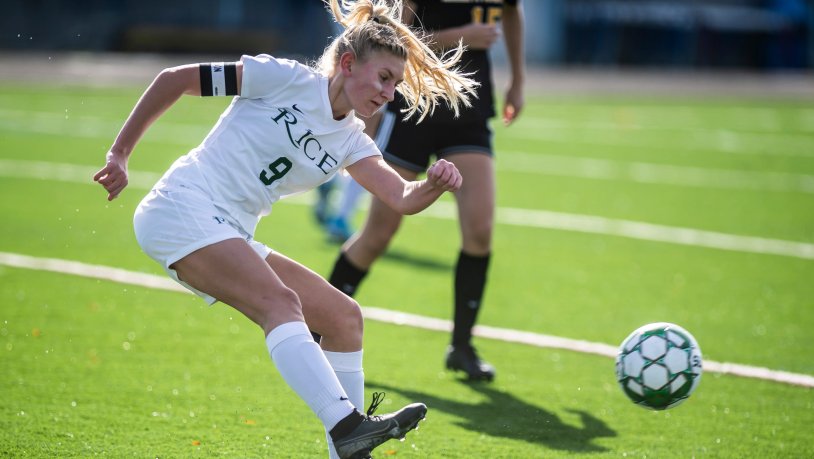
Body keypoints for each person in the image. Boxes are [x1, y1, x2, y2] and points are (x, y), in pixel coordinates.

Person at [92, 0, 477, 457]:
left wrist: (433, 184)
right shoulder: (283, 77)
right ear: (349, 64)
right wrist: (120, 154)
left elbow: (400, 196)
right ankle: (346, 425)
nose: (390, 93)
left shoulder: (353, 139)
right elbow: (175, 80)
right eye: (384, 78)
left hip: (229, 228)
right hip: (179, 207)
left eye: (395, 82)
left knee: (343, 318)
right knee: (281, 304)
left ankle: (350, 447)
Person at [327, 0, 525, 382]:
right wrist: (458, 38)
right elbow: (395, 41)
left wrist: (518, 78)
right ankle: (318, 323)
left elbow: (513, 12)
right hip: (414, 109)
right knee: (378, 235)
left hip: (468, 107)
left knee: (480, 232)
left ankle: (462, 347)